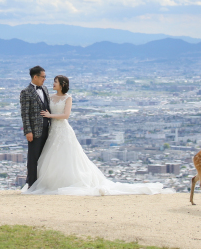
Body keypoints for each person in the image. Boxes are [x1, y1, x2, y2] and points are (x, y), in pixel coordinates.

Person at [21, 74, 167, 196]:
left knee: (68, 156)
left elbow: (66, 115)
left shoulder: (68, 98)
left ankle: (66, 182)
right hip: (52, 130)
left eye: (55, 81)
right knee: (51, 157)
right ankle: (48, 182)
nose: (52, 83)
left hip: (63, 129)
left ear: (62, 84)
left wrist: (50, 115)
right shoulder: (49, 96)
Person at [19, 65, 50, 188]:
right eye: (43, 77)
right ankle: (31, 184)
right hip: (35, 131)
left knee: (46, 157)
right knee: (33, 158)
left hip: (48, 129)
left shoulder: (45, 89)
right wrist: (28, 131)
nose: (44, 79)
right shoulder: (26, 92)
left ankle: (43, 183)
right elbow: (24, 113)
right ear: (35, 77)